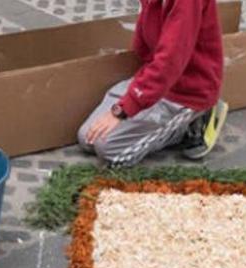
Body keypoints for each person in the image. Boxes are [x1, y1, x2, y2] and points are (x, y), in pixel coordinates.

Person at [78, 0, 229, 168]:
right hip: (156, 80)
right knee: (87, 138)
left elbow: (170, 61)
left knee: (112, 152)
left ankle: (194, 122)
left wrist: (122, 110)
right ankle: (162, 118)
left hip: (186, 92)